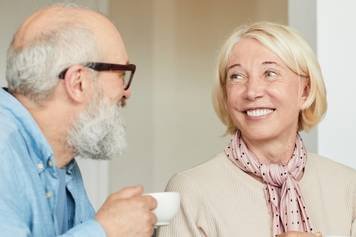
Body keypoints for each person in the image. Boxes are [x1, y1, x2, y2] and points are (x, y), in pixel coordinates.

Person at [158, 22, 356, 237]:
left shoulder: (348, 186)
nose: (252, 92)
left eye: (270, 73)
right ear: (225, 95)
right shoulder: (190, 191)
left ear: (305, 92)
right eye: (237, 76)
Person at [0, 4, 157, 237]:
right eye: (121, 74)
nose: (127, 92)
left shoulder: (62, 161)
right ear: (78, 83)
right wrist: (105, 231)